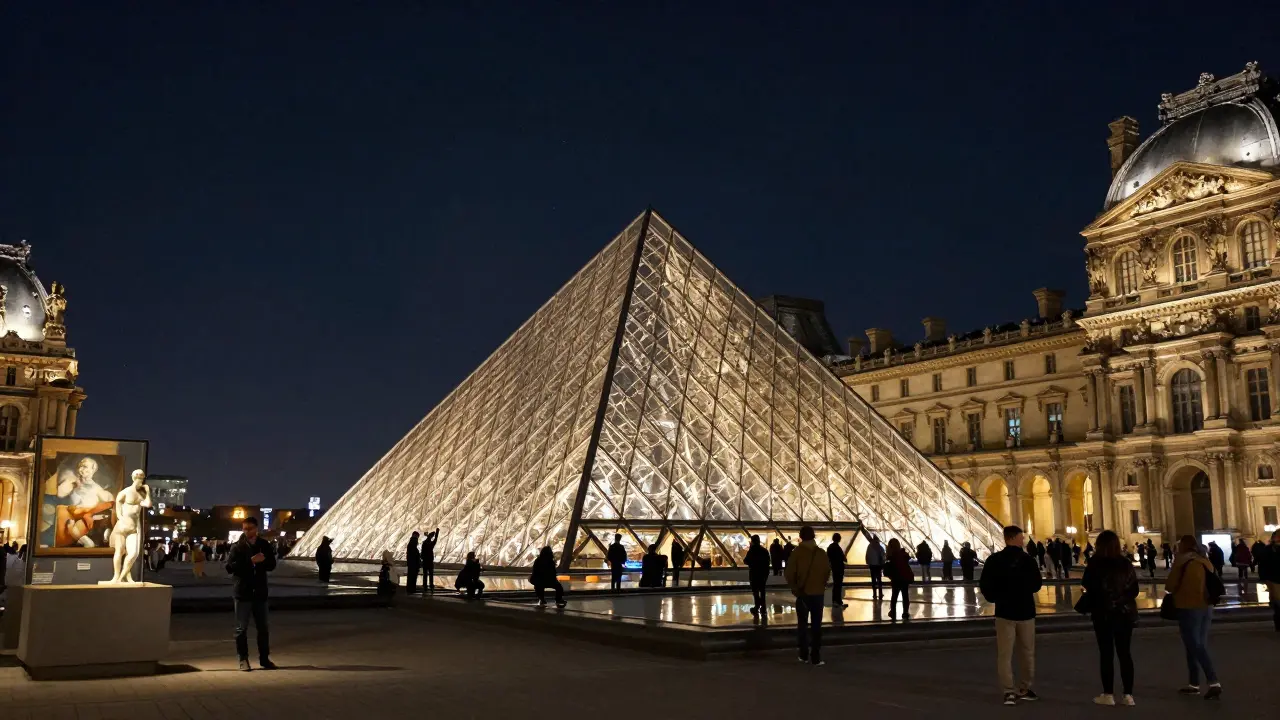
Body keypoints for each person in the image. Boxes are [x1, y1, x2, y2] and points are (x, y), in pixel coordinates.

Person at [979, 525, 1043, 706]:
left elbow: (985, 584)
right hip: (1025, 612)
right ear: (1012, 538)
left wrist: (995, 597)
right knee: (1027, 652)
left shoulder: (994, 560)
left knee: (1004, 655)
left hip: (1004, 612)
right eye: (1021, 537)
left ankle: (1008, 692)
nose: (1023, 540)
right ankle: (1024, 688)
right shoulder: (1028, 560)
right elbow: (1037, 585)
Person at [1081, 530, 1138, 706]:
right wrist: (1120, 600)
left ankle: (1108, 694)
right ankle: (1128, 695)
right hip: (1124, 613)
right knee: (1125, 653)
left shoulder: (1095, 563)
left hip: (1103, 613)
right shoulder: (1126, 563)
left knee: (1106, 654)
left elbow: (1086, 584)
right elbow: (1134, 590)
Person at [1166, 535, 1221, 699]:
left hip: (1188, 606)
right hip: (1206, 606)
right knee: (1196, 644)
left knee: (1194, 645)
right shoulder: (1204, 560)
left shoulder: (1181, 561)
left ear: (1183, 546)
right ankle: (1194, 683)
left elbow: (1170, 585)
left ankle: (1213, 681)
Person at [225, 516, 277, 672]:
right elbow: (230, 567)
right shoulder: (237, 547)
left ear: (256, 529)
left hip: (260, 592)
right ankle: (243, 659)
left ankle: (264, 659)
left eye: (250, 529)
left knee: (263, 628)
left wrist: (263, 561)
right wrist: (251, 562)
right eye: (245, 529)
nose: (247, 531)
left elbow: (272, 565)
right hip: (243, 592)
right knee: (241, 629)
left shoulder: (264, 545)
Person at [783, 526, 830, 666]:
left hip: (803, 593)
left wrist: (795, 588)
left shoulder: (797, 553)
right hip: (818, 593)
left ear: (801, 537)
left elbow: (789, 573)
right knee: (817, 626)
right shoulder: (821, 553)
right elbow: (827, 572)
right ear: (814, 536)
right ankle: (816, 656)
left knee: (802, 625)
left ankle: (803, 654)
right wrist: (821, 585)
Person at [884, 538, 914, 619]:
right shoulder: (903, 554)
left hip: (896, 578)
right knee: (905, 596)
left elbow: (890, 568)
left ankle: (893, 612)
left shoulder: (891, 556)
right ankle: (905, 612)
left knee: (894, 596)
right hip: (904, 578)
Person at [1257, 528, 1280, 632]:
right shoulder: (1269, 550)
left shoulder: (1269, 549)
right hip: (1274, 580)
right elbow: (1263, 564)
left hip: (1273, 579)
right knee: (1277, 603)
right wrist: (1264, 578)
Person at [744, 535, 771, 618]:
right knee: (762, 591)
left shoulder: (752, 550)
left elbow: (746, 561)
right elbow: (768, 562)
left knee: (755, 591)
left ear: (752, 541)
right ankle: (763, 608)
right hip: (763, 574)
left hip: (754, 573)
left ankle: (757, 606)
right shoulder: (764, 550)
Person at [827, 533, 847, 607]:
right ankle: (838, 601)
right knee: (838, 584)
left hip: (834, 567)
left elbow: (828, 558)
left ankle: (835, 600)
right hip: (839, 567)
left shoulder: (830, 547)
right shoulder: (837, 548)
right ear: (839, 539)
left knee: (836, 584)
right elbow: (843, 558)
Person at [421, 528, 439, 592]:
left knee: (425, 574)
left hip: (425, 561)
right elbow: (435, 540)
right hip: (430, 561)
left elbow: (422, 552)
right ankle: (431, 586)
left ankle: (425, 586)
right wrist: (437, 533)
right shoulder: (431, 544)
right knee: (431, 574)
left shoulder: (424, 543)